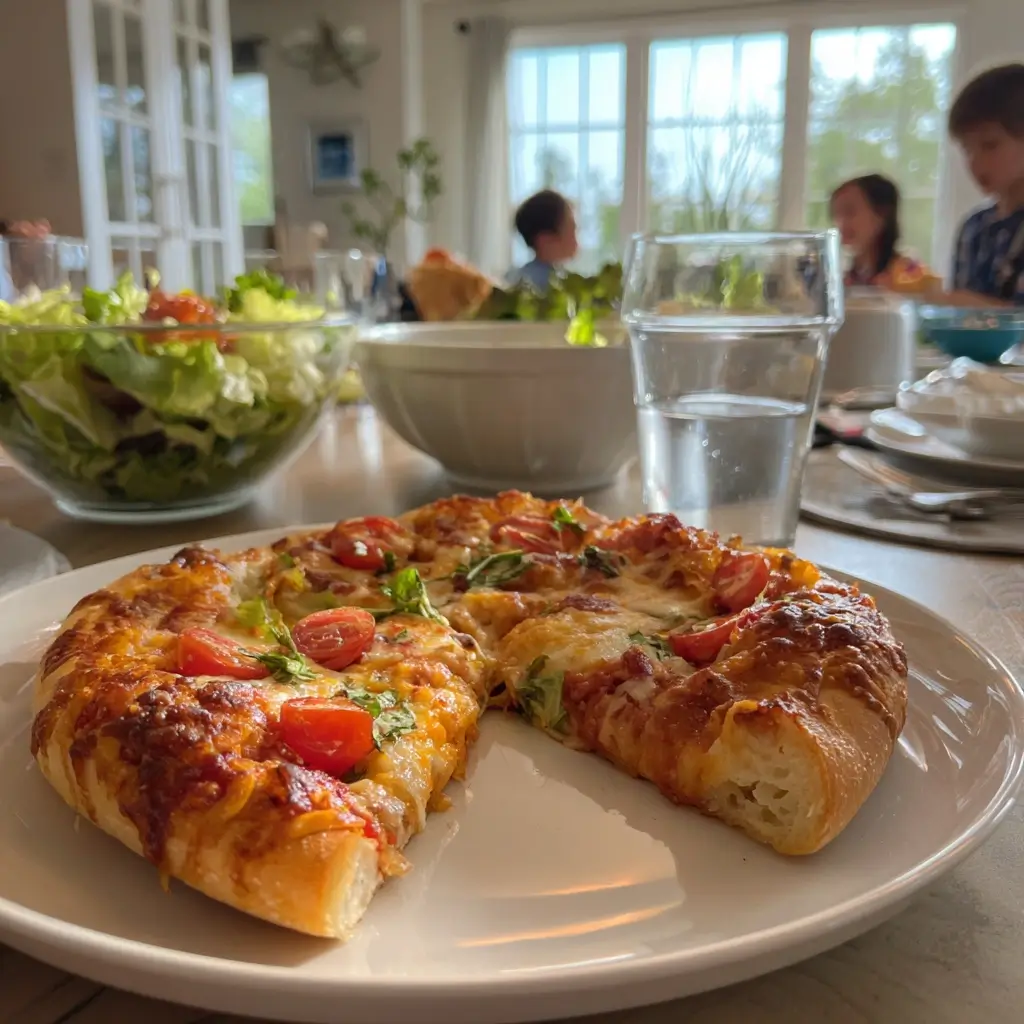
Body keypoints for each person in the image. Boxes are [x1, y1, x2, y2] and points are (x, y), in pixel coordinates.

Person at [942, 62, 1024, 307]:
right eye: (966, 148)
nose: (974, 162)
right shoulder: (973, 228)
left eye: (990, 144)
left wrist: (955, 303)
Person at [829, 174, 930, 288]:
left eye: (849, 211)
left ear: (881, 214)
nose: (841, 223)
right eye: (836, 214)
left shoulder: (909, 274)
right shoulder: (844, 277)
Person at [508, 189, 578, 292]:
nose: (576, 236)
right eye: (571, 229)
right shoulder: (535, 286)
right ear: (545, 240)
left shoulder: (514, 277)